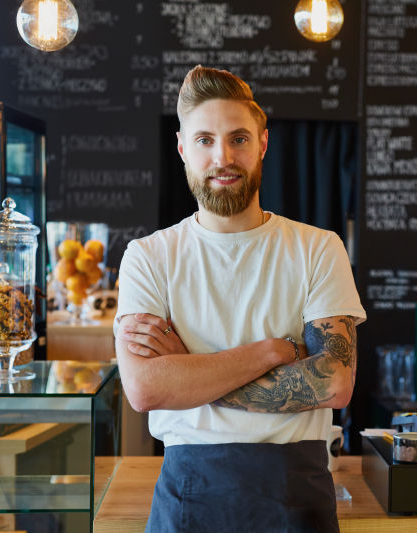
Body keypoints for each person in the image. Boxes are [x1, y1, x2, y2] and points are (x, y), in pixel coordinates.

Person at [113, 65, 366, 533]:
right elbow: (146, 389)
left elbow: (334, 382)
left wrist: (189, 374)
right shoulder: (148, 257)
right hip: (188, 494)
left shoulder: (317, 247)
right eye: (205, 140)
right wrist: (272, 352)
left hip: (298, 495)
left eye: (239, 139)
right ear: (183, 148)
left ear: (263, 144)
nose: (223, 156)